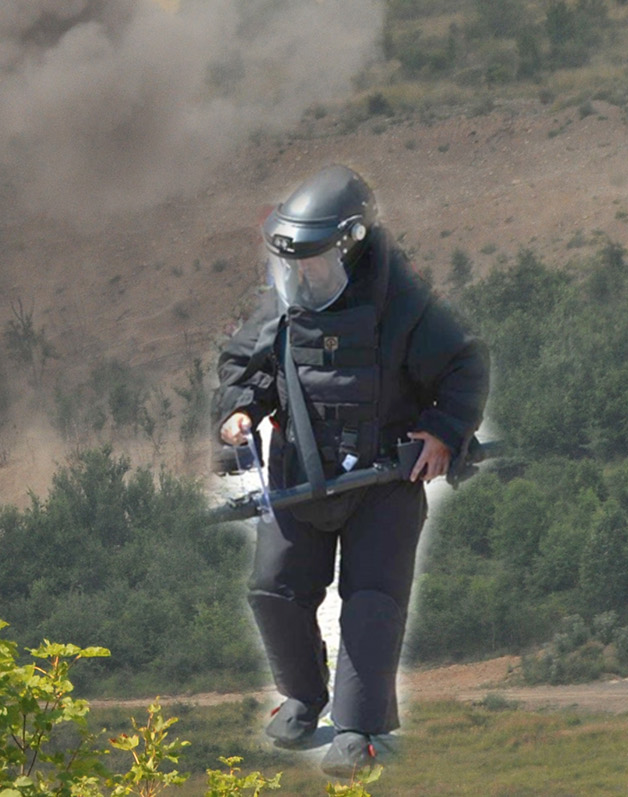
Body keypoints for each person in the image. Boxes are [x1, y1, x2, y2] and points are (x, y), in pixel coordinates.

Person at [212, 164, 488, 777]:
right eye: (296, 264)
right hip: (295, 473)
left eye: (316, 263)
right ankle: (304, 697)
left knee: (371, 602)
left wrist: (445, 433)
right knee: (273, 589)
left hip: (384, 484)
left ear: (350, 247)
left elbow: (465, 366)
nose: (305, 275)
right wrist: (237, 413)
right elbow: (244, 365)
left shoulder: (407, 305)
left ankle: (357, 729)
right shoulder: (282, 301)